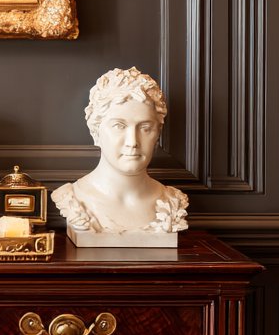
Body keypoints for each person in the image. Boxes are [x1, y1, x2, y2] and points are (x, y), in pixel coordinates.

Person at [52, 67, 188, 235]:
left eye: (145, 128)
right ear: (95, 131)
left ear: (158, 133)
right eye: (119, 126)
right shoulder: (73, 199)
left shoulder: (172, 202)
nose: (133, 142)